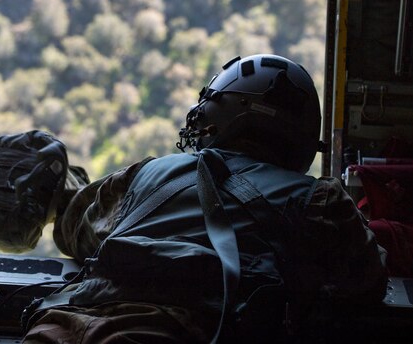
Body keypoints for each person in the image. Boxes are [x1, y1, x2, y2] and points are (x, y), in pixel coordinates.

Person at [21, 54, 388, 343]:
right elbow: (366, 284)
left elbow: (75, 234)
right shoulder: (317, 201)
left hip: (61, 332)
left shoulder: (145, 174)